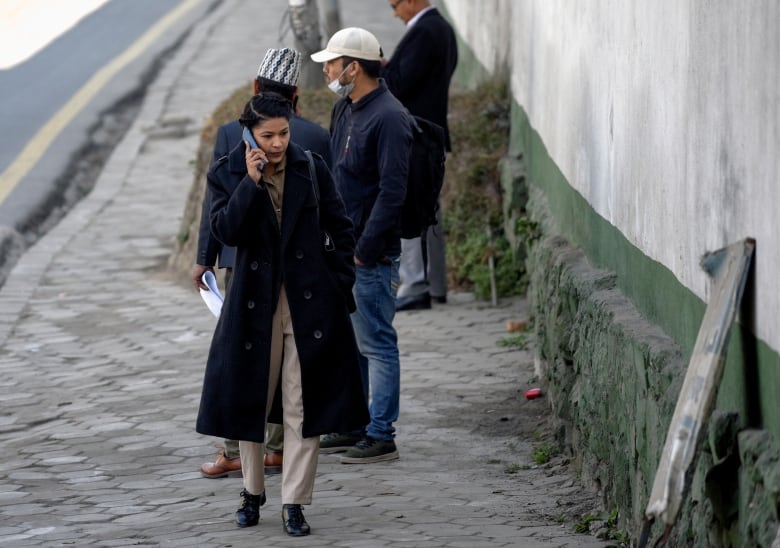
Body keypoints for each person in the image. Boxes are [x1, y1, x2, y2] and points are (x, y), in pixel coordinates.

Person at [195, 92, 369, 536]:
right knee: (250, 397)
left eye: (283, 133)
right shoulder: (228, 171)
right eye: (267, 135)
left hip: (309, 306)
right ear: (248, 134)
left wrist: (338, 284)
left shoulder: (310, 166)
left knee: (301, 403)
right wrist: (249, 184)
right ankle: (252, 491)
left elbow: (340, 225)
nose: (276, 144)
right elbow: (225, 230)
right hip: (254, 305)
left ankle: (295, 501)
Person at [194, 47, 332, 480]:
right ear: (296, 96)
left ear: (256, 89)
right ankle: (275, 448)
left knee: (241, 354)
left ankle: (234, 449)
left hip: (243, 264)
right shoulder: (315, 137)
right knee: (289, 359)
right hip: (299, 270)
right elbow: (336, 214)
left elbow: (213, 206)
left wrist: (205, 259)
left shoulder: (229, 134)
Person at [310, 27, 413, 463]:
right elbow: (335, 176)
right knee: (354, 344)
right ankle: (355, 424)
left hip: (370, 254)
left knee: (377, 342)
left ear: (354, 67)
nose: (329, 71)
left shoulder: (389, 117)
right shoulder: (344, 108)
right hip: (344, 251)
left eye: (333, 63)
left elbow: (393, 191)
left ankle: (380, 432)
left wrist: (364, 249)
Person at [382, 0, 458, 311]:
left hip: (417, 134)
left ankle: (414, 284)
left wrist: (379, 74)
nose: (394, 12)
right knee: (428, 211)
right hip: (429, 132)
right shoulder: (439, 28)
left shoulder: (426, 31)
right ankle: (435, 284)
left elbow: (401, 84)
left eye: (395, 4)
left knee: (410, 207)